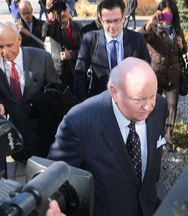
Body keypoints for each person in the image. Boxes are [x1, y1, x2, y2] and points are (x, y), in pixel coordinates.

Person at [48, 57, 168, 216]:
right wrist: (55, 207)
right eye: (138, 99)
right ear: (115, 92)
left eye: (152, 95)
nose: (149, 107)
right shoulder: (78, 122)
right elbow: (55, 178)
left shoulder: (160, 106)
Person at [0, 20, 60, 161]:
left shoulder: (42, 57)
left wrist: (41, 99)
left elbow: (56, 88)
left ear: (19, 39)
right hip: (16, 134)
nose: (5, 52)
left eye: (9, 45)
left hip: (42, 131)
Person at [73, 0, 150, 103]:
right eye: (108, 21)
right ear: (100, 19)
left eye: (116, 20)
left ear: (123, 17)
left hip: (129, 103)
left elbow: (146, 72)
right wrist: (85, 105)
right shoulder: (90, 40)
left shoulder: (137, 40)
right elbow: (79, 76)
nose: (112, 26)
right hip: (99, 103)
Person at [139, 0, 187, 152]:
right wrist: (150, 22)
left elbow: (183, 51)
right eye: (163, 14)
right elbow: (140, 37)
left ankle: (168, 139)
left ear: (173, 14)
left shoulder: (178, 30)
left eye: (169, 14)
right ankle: (151, 137)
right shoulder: (153, 29)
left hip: (174, 76)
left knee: (171, 109)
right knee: (152, 108)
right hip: (156, 76)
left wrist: (181, 46)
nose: (166, 18)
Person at [42, 0, 83, 90]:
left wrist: (71, 54)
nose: (62, 13)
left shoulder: (78, 26)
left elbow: (84, 49)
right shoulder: (53, 27)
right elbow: (44, 32)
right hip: (59, 69)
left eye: (64, 10)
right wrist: (51, 16)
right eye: (59, 11)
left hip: (76, 67)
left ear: (69, 12)